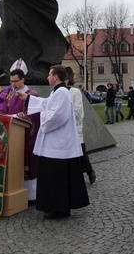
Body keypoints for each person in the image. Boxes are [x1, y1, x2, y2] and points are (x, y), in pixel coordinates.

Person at [17, 65, 89, 218]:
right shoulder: (57, 92)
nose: (48, 77)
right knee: (55, 177)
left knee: (57, 178)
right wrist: (28, 98)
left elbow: (58, 116)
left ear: (56, 77)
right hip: (55, 145)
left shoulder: (62, 93)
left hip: (58, 146)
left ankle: (59, 208)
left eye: (50, 74)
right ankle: (57, 207)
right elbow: (46, 104)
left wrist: (42, 118)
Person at [0, 68, 41, 201]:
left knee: (28, 162)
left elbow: (34, 114)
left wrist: (14, 116)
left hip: (28, 134)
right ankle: (15, 191)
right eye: (11, 81)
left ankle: (31, 195)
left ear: (23, 79)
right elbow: (3, 109)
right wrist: (3, 115)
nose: (13, 84)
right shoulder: (10, 95)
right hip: (12, 134)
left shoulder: (33, 95)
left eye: (16, 81)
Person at [66, 71, 96, 184]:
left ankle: (89, 171)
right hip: (64, 132)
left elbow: (78, 113)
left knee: (81, 154)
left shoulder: (74, 92)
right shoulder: (54, 93)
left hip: (75, 130)